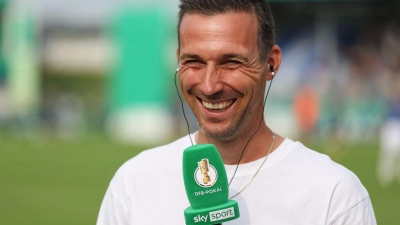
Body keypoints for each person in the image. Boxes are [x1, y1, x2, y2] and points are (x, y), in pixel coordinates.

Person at [97, 0, 376, 224]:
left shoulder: (335, 194)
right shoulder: (134, 183)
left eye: (231, 62)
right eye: (193, 61)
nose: (209, 85)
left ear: (271, 64)